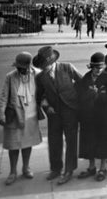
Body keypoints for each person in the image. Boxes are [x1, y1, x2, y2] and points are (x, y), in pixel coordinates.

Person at [34, 46, 82, 185]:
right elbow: (40, 96)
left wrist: (76, 100)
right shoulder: (40, 77)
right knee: (54, 141)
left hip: (70, 110)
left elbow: (82, 82)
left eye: (47, 65)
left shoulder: (67, 68)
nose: (45, 68)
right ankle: (55, 168)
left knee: (71, 140)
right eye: (43, 66)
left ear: (53, 62)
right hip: (53, 113)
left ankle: (69, 170)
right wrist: (46, 106)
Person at [0, 52, 43, 185]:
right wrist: (1, 113)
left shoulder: (38, 74)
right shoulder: (10, 77)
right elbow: (4, 96)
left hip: (31, 115)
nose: (20, 70)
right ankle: (12, 172)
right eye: (18, 67)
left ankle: (26, 168)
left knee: (27, 144)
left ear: (29, 66)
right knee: (13, 145)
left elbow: (45, 90)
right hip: (14, 115)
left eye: (22, 68)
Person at [77, 52, 107, 182]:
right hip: (88, 117)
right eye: (95, 68)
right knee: (89, 142)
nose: (98, 70)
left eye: (100, 68)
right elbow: (80, 95)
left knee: (103, 143)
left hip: (104, 118)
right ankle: (91, 167)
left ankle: (102, 168)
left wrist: (98, 95)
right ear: (91, 67)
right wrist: (89, 95)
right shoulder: (86, 78)